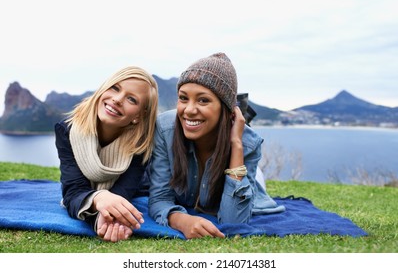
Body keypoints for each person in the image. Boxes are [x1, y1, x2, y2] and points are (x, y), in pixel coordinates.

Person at [149, 52, 285, 239]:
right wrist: (182, 220)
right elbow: (159, 198)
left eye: (203, 100)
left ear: (226, 109)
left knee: (255, 186)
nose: (189, 110)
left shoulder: (248, 143)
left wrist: (236, 145)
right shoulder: (165, 129)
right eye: (183, 98)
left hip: (245, 172)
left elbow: (234, 222)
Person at [55, 66, 158, 242]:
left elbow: (124, 191)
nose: (117, 99)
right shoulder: (67, 130)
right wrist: (100, 200)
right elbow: (73, 191)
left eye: (132, 99)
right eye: (115, 88)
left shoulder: (140, 143)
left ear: (139, 116)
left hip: (144, 185)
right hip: (97, 196)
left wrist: (107, 219)